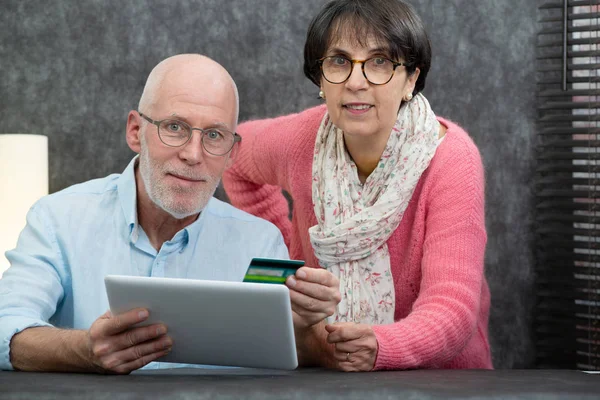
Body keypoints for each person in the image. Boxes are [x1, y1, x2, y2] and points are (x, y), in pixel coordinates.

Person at [223, 0, 493, 371]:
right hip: (320, 370)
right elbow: (233, 155)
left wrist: (379, 346)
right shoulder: (300, 140)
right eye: (339, 61)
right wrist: (286, 266)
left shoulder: (451, 159)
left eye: (380, 61)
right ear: (320, 79)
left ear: (411, 79)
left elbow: (454, 308)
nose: (355, 81)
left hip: (442, 381)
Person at [0, 54, 289, 373]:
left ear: (232, 154)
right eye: (175, 127)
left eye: (214, 135)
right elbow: (5, 330)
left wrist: (312, 327)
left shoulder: (263, 245)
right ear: (136, 131)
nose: (193, 155)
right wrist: (84, 350)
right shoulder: (57, 219)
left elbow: (283, 353)